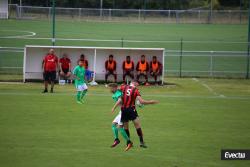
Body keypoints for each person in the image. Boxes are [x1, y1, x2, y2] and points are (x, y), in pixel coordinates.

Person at [111, 80, 159, 148]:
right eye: (137, 84)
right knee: (137, 126)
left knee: (126, 127)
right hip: (131, 110)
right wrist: (151, 102)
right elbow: (142, 101)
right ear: (134, 83)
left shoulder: (124, 87)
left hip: (124, 110)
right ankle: (141, 142)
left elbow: (116, 89)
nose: (138, 85)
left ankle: (128, 143)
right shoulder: (136, 90)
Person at [108, 83, 133, 151]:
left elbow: (120, 100)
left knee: (119, 127)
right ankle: (116, 140)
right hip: (122, 111)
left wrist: (113, 108)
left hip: (125, 111)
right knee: (113, 124)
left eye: (110, 88)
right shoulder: (115, 93)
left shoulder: (118, 93)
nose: (109, 89)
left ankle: (129, 142)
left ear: (114, 88)